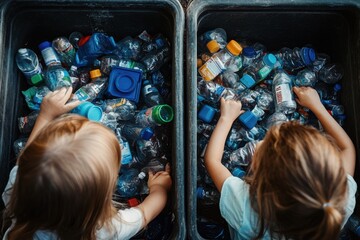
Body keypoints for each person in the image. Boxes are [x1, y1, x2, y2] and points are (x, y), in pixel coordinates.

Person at [1, 87, 172, 240]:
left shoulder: (18, 190)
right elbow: (144, 213)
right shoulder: (103, 231)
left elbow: (29, 158)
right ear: (102, 197)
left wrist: (45, 115)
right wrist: (159, 189)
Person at [204, 86, 357, 240]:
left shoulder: (246, 209)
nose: (257, 144)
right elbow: (347, 148)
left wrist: (226, 118)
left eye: (264, 145)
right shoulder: (338, 202)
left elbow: (212, 161)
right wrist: (317, 106)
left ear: (262, 181)